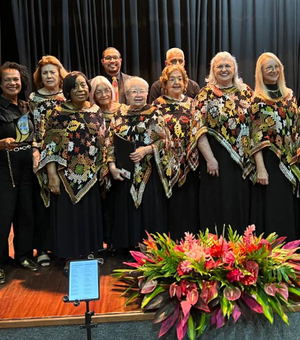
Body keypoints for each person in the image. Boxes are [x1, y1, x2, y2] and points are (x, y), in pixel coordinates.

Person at [37, 71, 105, 273]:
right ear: (68, 90)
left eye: (84, 85)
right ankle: (70, 256)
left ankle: (88, 252)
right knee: (69, 217)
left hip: (91, 175)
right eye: (75, 86)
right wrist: (52, 176)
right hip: (65, 176)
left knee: (89, 215)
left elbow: (103, 142)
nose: (81, 89)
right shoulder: (58, 114)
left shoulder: (96, 111)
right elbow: (49, 147)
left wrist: (102, 169)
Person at [189, 51, 253, 234]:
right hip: (215, 160)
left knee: (239, 203)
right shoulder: (205, 94)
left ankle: (241, 250)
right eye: (220, 66)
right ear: (213, 70)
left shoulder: (246, 92)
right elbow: (197, 129)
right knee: (216, 203)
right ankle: (215, 251)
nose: (224, 69)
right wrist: (210, 159)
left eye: (228, 66)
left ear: (234, 69)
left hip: (242, 162)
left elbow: (257, 125)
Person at [107, 76, 168, 250]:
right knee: (125, 209)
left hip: (149, 173)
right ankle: (127, 248)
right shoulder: (119, 114)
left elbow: (166, 141)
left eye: (142, 91)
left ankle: (149, 249)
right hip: (124, 173)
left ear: (148, 93)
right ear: (126, 95)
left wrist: (146, 150)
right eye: (134, 91)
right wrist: (111, 166)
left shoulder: (155, 113)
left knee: (150, 209)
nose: (138, 95)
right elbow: (109, 143)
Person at [249, 52, 300, 240]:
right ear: (260, 72)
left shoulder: (289, 95)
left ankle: (292, 257)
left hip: (291, 162)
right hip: (270, 163)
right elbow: (255, 137)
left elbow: (296, 126)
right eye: (268, 67)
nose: (273, 70)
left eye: (276, 66)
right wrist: (261, 169)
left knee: (289, 207)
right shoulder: (257, 100)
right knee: (274, 209)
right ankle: (274, 258)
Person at [0, 61, 39, 284]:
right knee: (3, 219)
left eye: (16, 79)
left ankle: (23, 256)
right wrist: (1, 143)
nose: (13, 83)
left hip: (26, 170)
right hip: (4, 171)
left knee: (26, 216)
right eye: (7, 80)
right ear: (1, 83)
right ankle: (1, 261)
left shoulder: (26, 107)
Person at [152, 64, 200, 240]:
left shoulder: (192, 103)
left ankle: (192, 243)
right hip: (168, 164)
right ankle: (172, 246)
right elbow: (154, 133)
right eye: (172, 79)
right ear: (164, 83)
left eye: (179, 79)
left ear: (185, 82)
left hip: (190, 161)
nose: (176, 82)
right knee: (172, 205)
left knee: (191, 202)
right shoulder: (157, 105)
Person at [29, 55, 68, 267]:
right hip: (42, 155)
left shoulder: (68, 97)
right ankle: (43, 248)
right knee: (43, 201)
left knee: (63, 202)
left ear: (60, 74)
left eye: (53, 72)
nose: (49, 76)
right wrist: (36, 152)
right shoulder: (34, 99)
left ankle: (62, 246)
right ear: (40, 77)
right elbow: (33, 129)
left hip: (67, 158)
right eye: (45, 73)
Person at [89, 75, 127, 253]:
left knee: (117, 202)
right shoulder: (91, 111)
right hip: (97, 161)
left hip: (119, 161)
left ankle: (117, 241)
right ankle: (104, 241)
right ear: (93, 94)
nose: (103, 94)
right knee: (102, 203)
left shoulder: (123, 109)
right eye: (98, 91)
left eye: (106, 90)